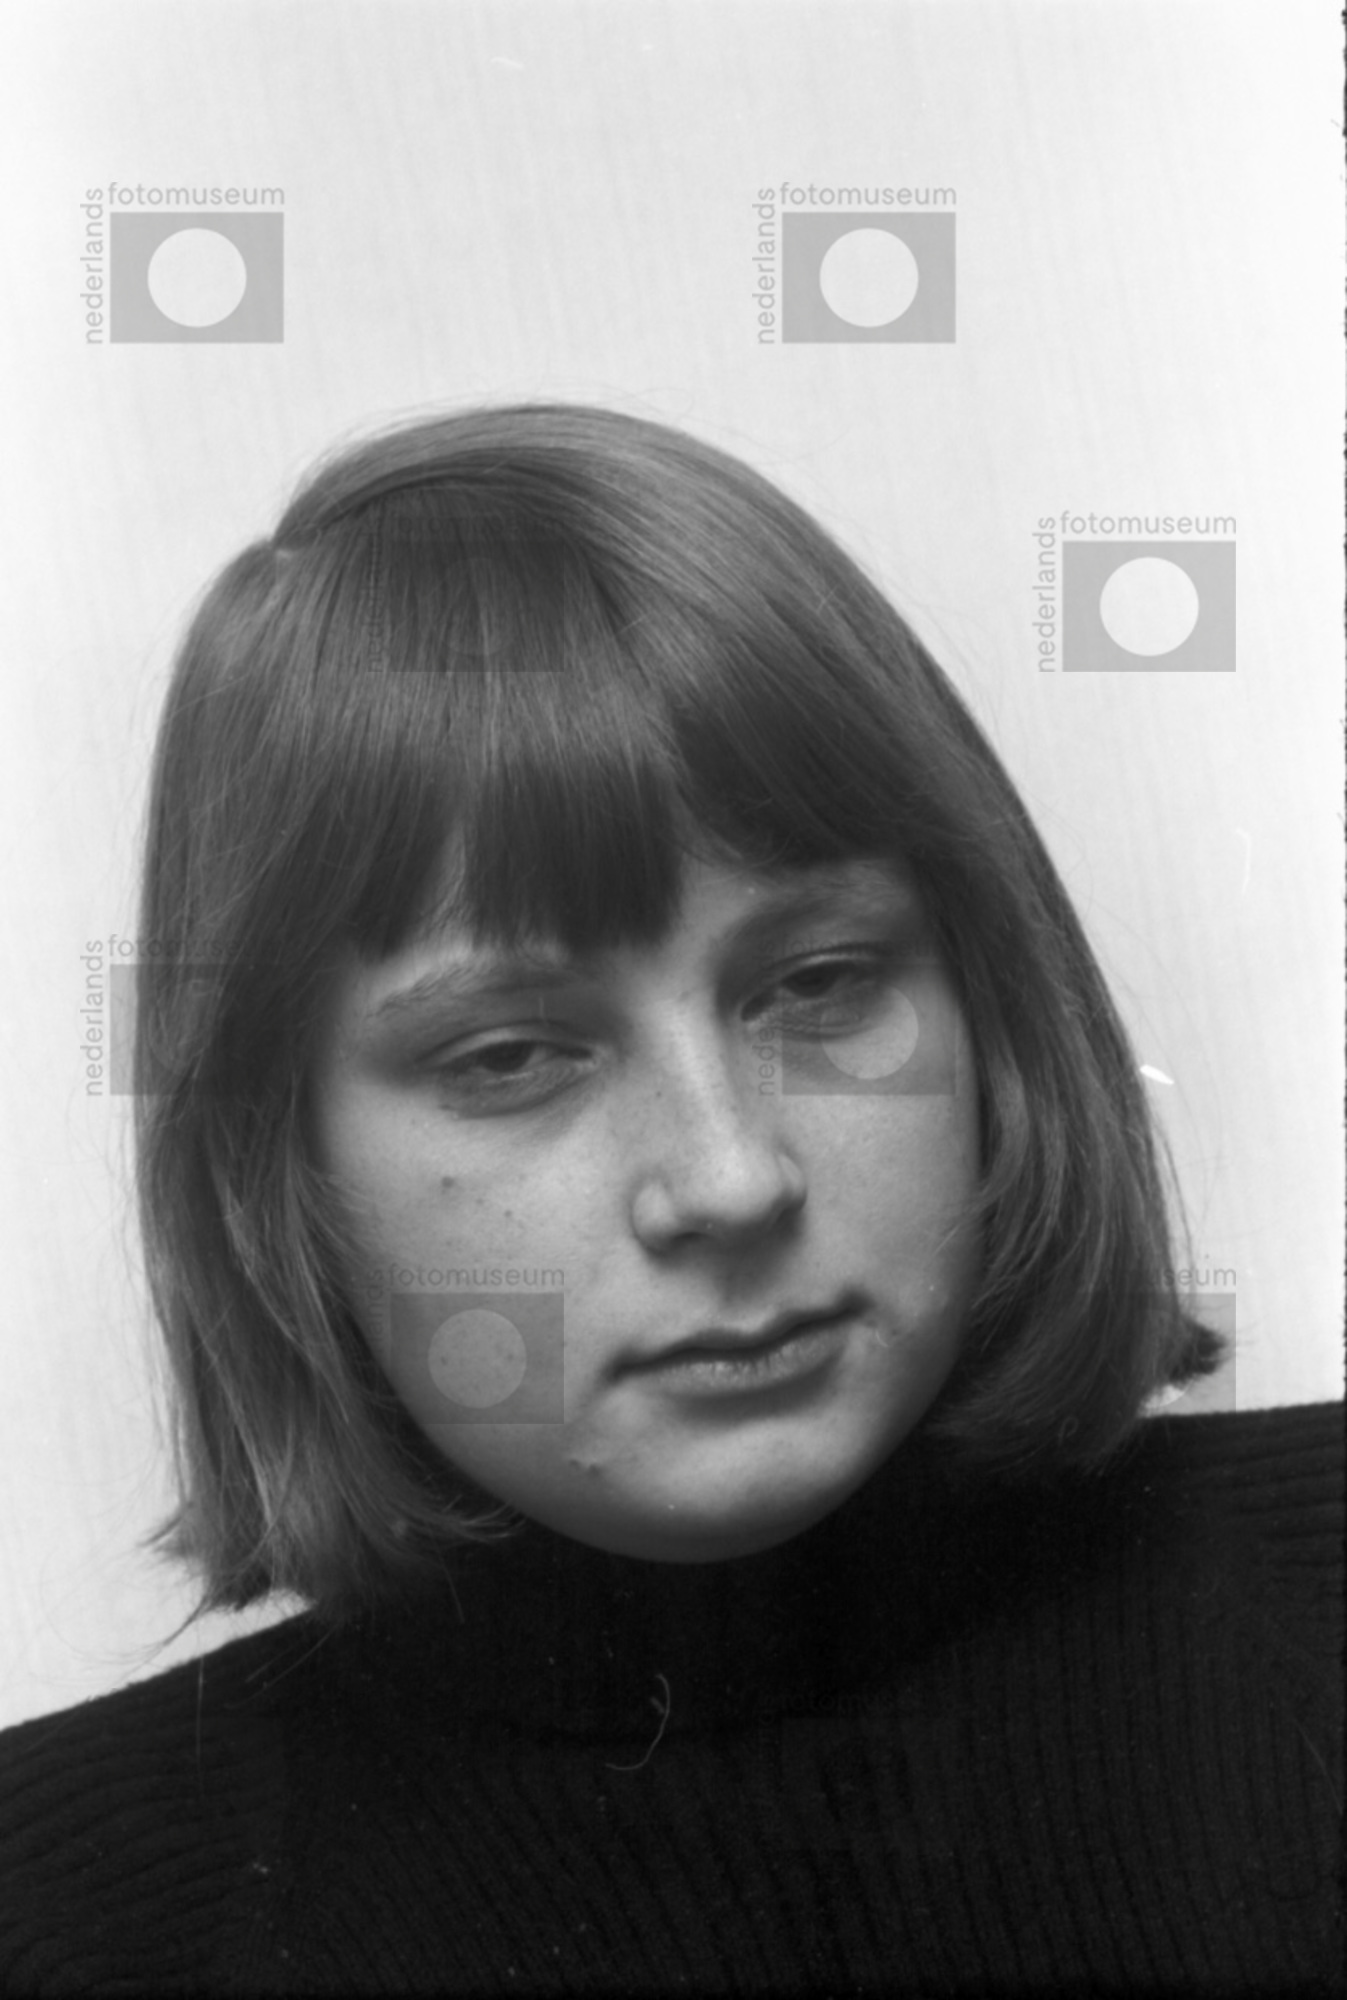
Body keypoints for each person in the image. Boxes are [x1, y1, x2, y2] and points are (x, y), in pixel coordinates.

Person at [0, 403, 1339, 1995]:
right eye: (510, 1057)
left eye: (821, 983)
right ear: (277, 1174)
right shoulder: (59, 1919)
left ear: (993, 1005)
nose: (729, 1176)